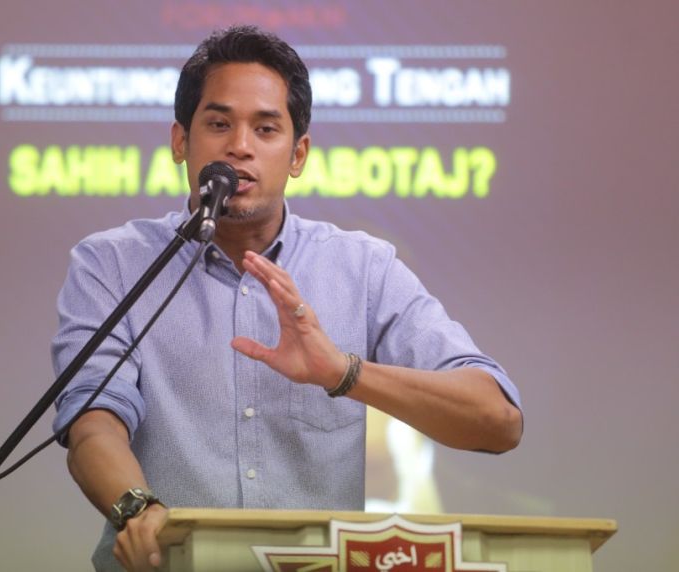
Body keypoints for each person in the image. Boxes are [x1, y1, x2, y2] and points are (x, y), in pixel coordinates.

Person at [52, 25, 522, 572]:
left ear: (298, 154)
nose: (240, 146)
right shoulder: (111, 263)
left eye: (266, 128)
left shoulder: (363, 268)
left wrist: (344, 373)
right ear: (181, 141)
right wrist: (138, 510)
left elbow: (498, 420)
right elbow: (92, 418)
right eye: (219, 124)